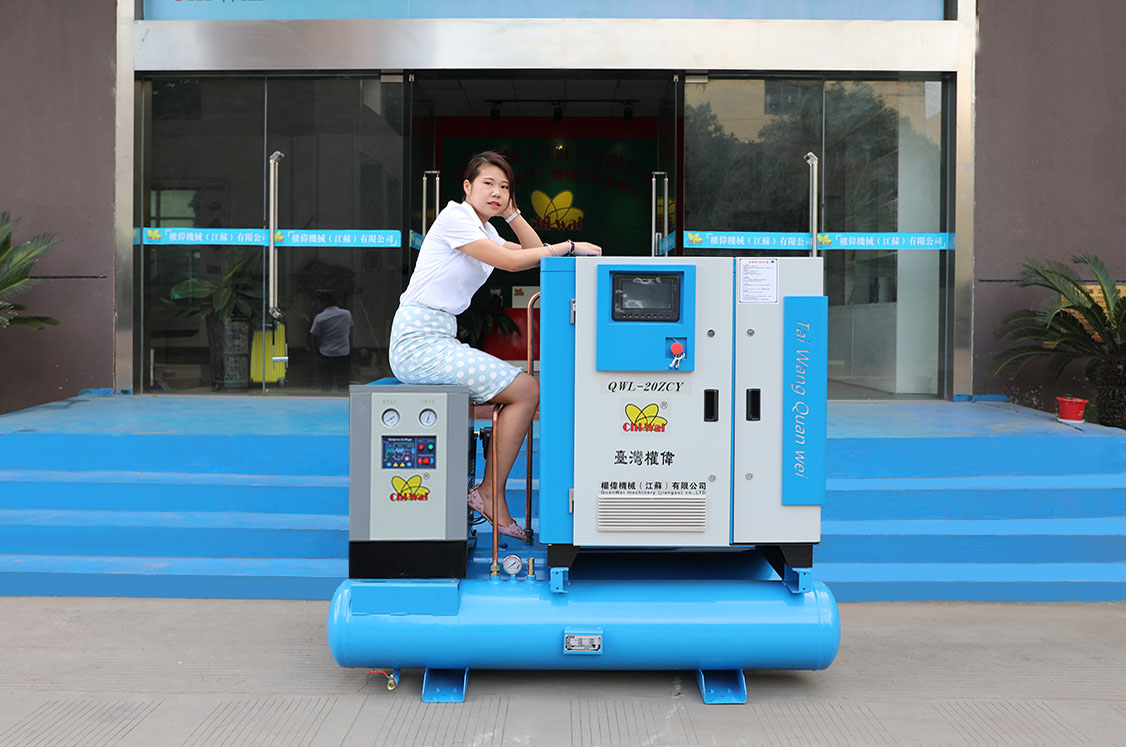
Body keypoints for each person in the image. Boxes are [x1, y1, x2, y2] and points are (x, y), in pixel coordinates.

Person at [389, 151, 601, 539]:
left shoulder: (485, 230)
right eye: (488, 183)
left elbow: (531, 253)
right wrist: (570, 245)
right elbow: (512, 263)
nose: (497, 192)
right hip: (418, 340)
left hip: (439, 335)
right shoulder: (455, 218)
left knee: (525, 390)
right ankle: (488, 492)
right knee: (526, 390)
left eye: (504, 187)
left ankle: (489, 491)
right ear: (467, 187)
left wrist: (514, 214)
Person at [310, 291, 353, 391]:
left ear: (324, 303)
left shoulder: (320, 318)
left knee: (326, 382)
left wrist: (316, 350)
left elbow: (314, 336)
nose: (319, 306)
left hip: (326, 353)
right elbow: (350, 328)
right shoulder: (346, 314)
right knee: (343, 382)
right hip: (343, 352)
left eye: (319, 304)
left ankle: (326, 399)